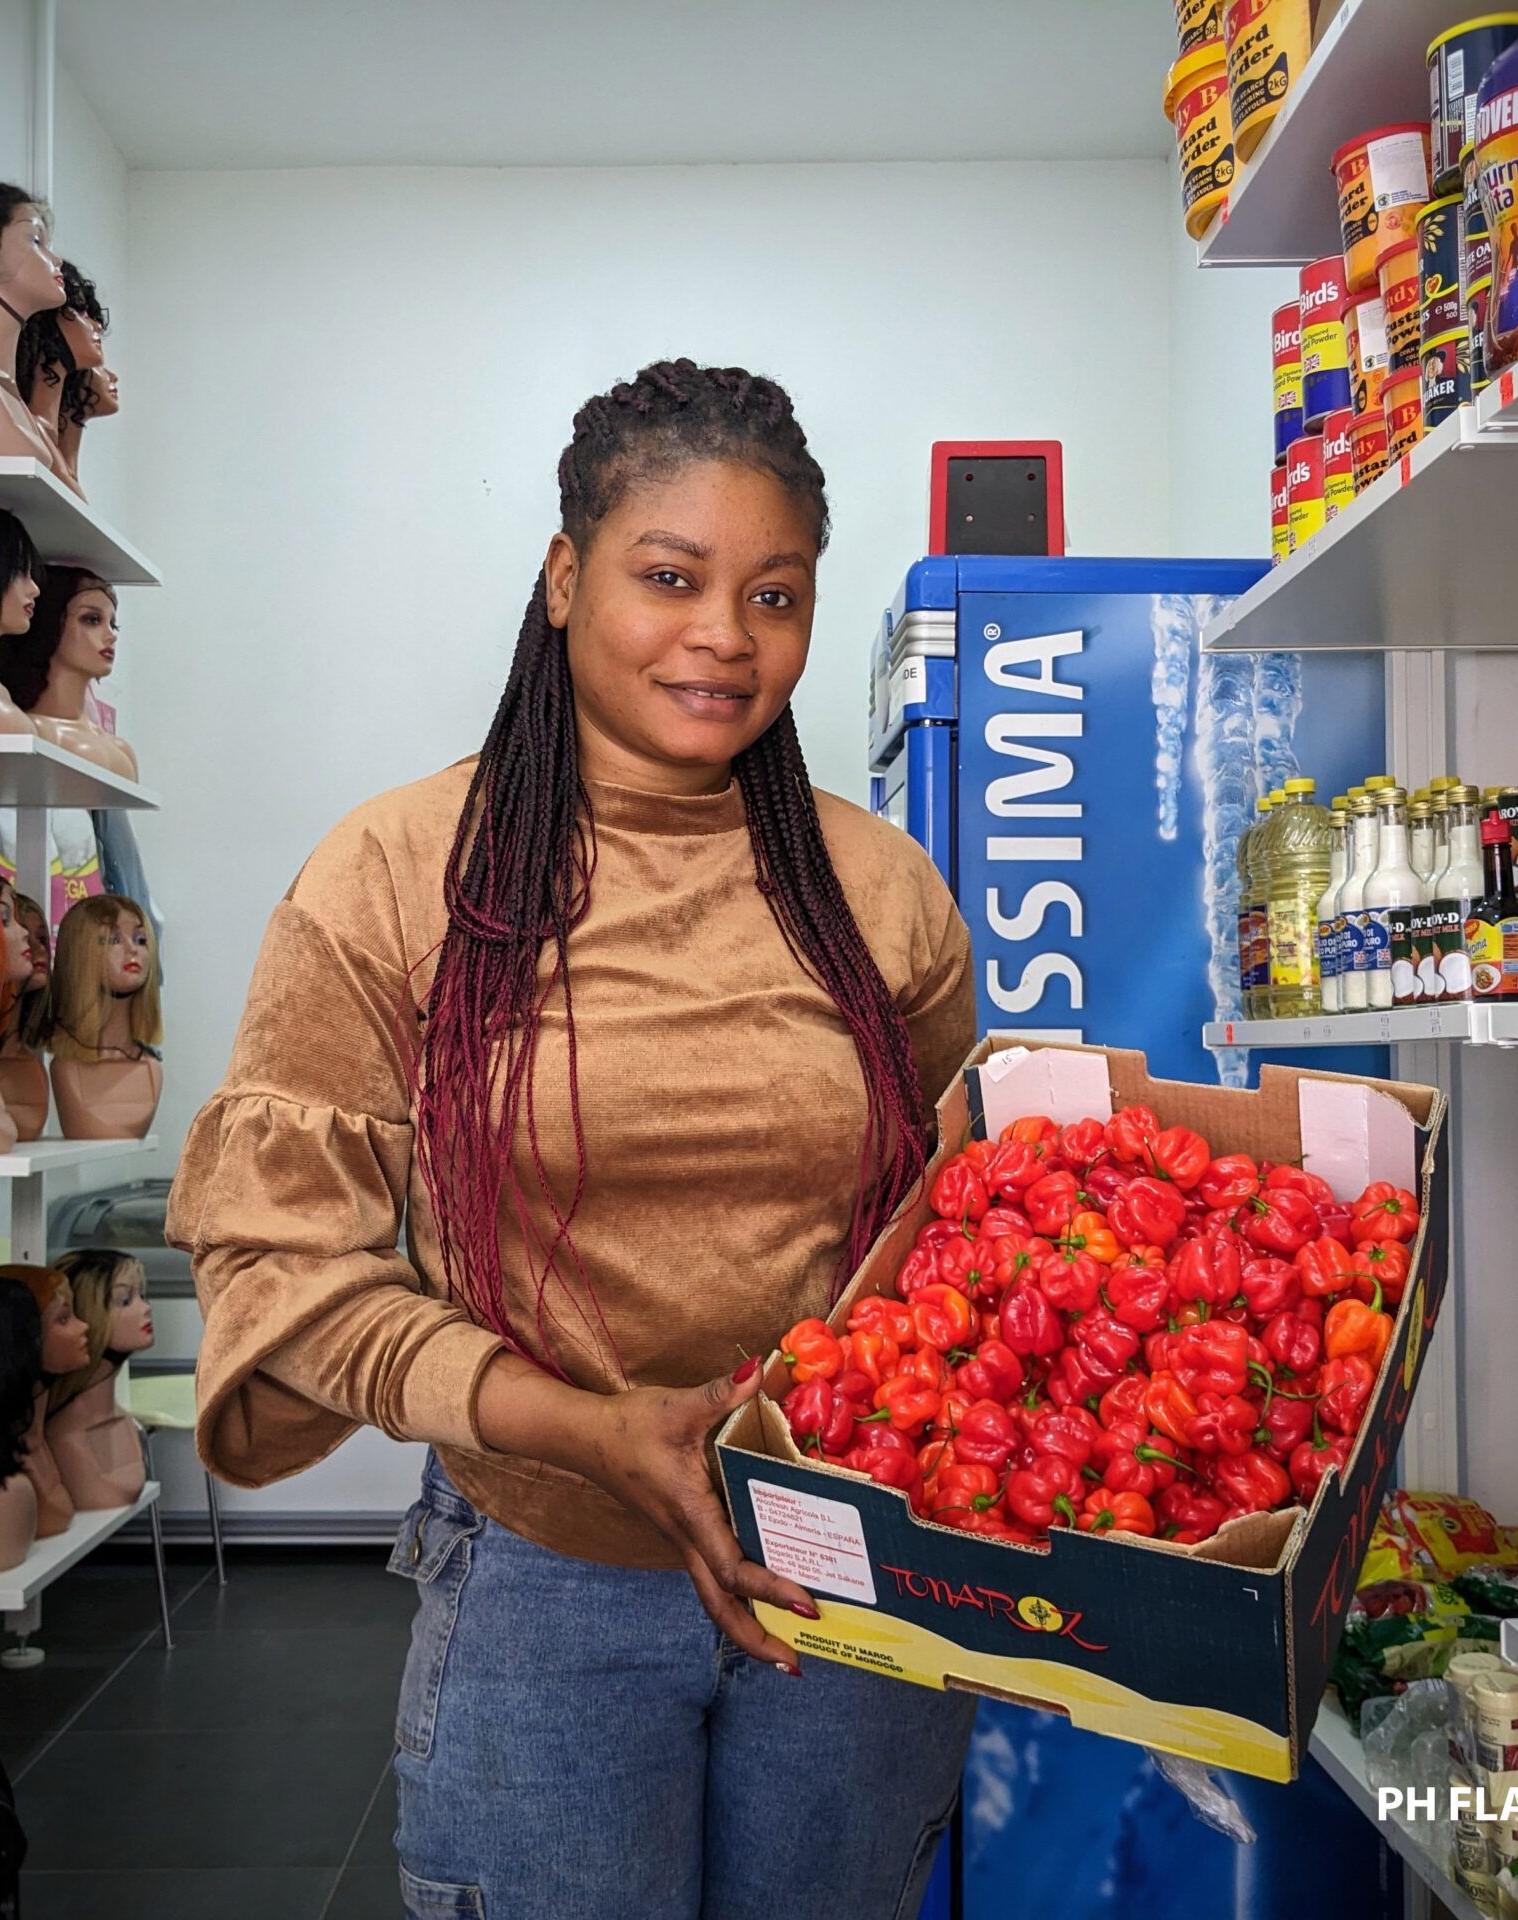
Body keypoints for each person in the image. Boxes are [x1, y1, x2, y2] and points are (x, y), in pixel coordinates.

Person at [168, 359, 977, 1919]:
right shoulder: (398, 876)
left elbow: (949, 1229)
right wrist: (593, 1430)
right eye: (669, 578)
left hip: (848, 1564)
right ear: (563, 577)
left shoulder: (882, 893)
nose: (726, 639)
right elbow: (283, 1267)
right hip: (544, 1576)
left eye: (776, 594)